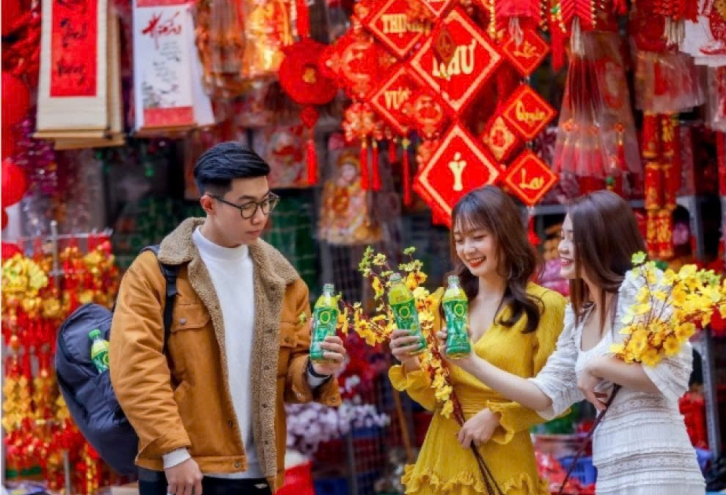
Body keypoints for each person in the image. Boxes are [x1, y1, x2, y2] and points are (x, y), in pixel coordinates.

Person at [110, 142, 345, 495]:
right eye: (246, 205)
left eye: (266, 201)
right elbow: (136, 366)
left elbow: (290, 378)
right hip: (186, 472)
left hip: (258, 472)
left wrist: (317, 370)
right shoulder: (156, 273)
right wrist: (173, 452)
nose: (260, 216)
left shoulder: (283, 280)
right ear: (209, 204)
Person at [446, 191, 705, 495]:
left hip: (660, 467)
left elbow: (672, 377)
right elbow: (545, 394)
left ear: (603, 241)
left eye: (573, 238)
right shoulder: (580, 314)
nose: (562, 248)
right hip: (612, 468)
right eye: (563, 237)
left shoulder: (643, 289)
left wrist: (596, 365)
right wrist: (471, 362)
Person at [388, 185, 567, 494]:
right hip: (443, 456)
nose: (467, 249)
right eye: (459, 240)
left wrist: (499, 416)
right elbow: (433, 399)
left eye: (478, 237)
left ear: (505, 234)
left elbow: (558, 397)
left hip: (504, 459)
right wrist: (409, 360)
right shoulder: (443, 302)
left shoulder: (544, 306)